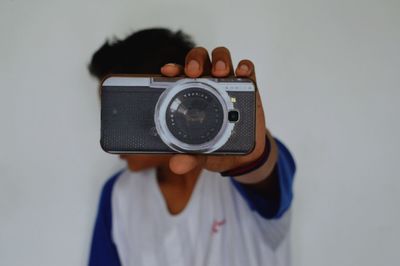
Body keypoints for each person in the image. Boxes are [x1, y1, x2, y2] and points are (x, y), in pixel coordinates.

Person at [88, 28, 296, 266]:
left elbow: (262, 170)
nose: (113, 129)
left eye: (119, 111)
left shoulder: (243, 163)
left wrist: (251, 159)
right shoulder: (118, 194)